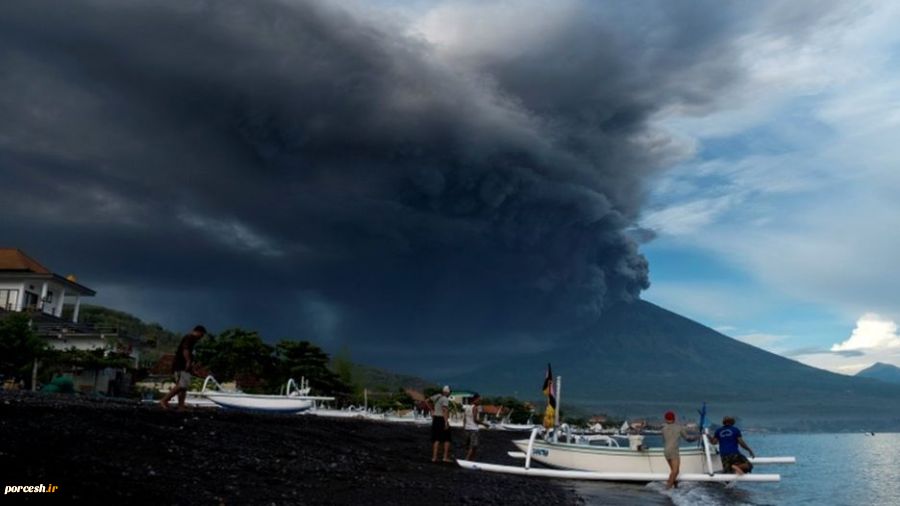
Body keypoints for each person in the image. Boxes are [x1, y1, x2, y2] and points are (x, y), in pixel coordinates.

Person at [160, 325, 207, 410]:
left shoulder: (193, 340)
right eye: (201, 335)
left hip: (185, 365)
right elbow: (185, 350)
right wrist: (188, 361)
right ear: (198, 332)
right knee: (181, 385)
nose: (201, 337)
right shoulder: (189, 337)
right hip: (180, 365)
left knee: (184, 387)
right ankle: (164, 400)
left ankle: (181, 406)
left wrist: (192, 366)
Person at [661, 410, 697, 489]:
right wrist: (697, 437)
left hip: (666, 451)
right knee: (675, 471)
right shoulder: (679, 427)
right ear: (674, 418)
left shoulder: (663, 429)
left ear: (665, 419)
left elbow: (664, 440)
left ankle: (675, 487)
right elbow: (688, 439)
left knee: (673, 471)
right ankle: (667, 489)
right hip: (674, 451)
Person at [429, 385, 453, 463]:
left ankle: (434, 458)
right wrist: (446, 422)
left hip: (435, 419)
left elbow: (426, 401)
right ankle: (445, 457)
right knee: (447, 439)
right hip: (441, 419)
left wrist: (432, 410)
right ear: (447, 392)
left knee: (436, 439)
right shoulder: (445, 399)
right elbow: (445, 410)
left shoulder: (437, 396)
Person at [463, 393, 483, 461]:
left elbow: (464, 419)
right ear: (475, 399)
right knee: (473, 446)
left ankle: (471, 460)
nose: (480, 401)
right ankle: (467, 460)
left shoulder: (467, 407)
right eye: (479, 400)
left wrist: (464, 428)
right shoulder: (475, 408)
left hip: (467, 428)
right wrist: (484, 424)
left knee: (470, 447)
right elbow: (475, 420)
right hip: (473, 429)